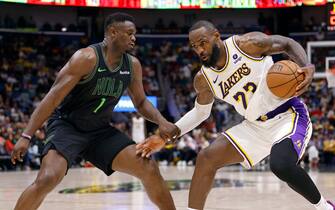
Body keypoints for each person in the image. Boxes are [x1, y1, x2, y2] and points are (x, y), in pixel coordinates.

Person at [137, 20, 335, 210]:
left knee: (280, 164)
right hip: (254, 126)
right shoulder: (203, 79)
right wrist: (166, 136)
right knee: (206, 158)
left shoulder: (247, 45)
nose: (200, 50)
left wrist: (307, 66)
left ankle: (325, 207)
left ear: (216, 36)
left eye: (203, 43)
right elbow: (201, 112)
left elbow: (288, 44)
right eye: (195, 46)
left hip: (287, 115)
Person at [11, 13, 179, 210]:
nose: (134, 38)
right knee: (48, 178)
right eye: (130, 33)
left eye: (135, 34)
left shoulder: (132, 65)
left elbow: (141, 102)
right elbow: (52, 98)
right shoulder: (86, 58)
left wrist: (161, 121)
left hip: (100, 132)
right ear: (113, 32)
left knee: (148, 167)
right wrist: (26, 135)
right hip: (68, 127)